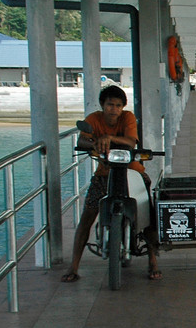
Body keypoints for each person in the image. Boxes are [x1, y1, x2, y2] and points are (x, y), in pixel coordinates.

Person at [61, 85, 161, 282]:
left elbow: (131, 142)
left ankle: (153, 261)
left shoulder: (127, 118)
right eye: (109, 105)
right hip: (104, 173)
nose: (113, 109)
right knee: (88, 215)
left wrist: (109, 138)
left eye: (117, 105)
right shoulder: (93, 120)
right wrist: (94, 144)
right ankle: (73, 266)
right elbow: (82, 142)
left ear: (123, 107)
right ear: (102, 105)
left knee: (148, 213)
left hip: (132, 171)